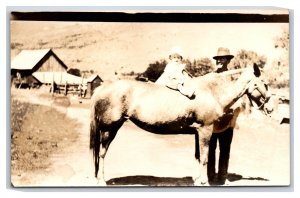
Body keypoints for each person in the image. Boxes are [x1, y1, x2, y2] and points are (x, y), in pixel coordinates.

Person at [207, 47, 241, 185]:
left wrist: (234, 119)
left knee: (225, 150)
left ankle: (222, 177)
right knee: (210, 149)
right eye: (218, 59)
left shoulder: (233, 78)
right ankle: (210, 176)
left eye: (223, 58)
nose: (220, 61)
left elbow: (238, 100)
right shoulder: (210, 77)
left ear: (228, 60)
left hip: (227, 120)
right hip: (211, 120)